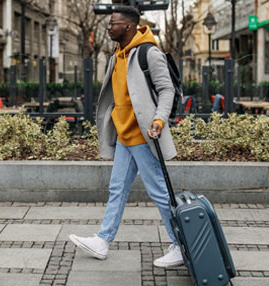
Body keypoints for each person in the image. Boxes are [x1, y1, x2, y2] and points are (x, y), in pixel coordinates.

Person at [69, 6, 183, 268]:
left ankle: (180, 244)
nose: (109, 28)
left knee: (160, 193)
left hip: (144, 136)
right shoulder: (117, 55)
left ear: (129, 27)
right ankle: (103, 240)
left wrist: (159, 119)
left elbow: (167, 90)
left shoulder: (149, 53)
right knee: (117, 189)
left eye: (113, 24)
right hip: (124, 135)